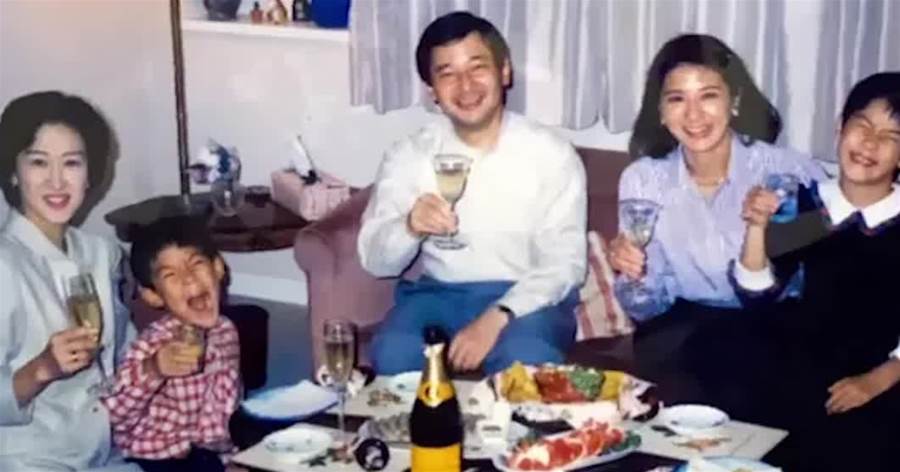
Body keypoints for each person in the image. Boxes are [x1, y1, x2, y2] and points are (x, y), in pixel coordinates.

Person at [359, 11, 586, 375]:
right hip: (439, 293)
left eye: (477, 67)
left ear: (504, 72)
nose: (466, 86)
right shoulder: (410, 155)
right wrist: (409, 227)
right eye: (447, 73)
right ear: (432, 91)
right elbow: (375, 261)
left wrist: (497, 316)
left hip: (526, 297)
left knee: (525, 361)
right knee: (394, 353)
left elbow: (565, 263)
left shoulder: (551, 154)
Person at [606, 34, 826, 408]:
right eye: (677, 99)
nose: (693, 115)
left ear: (734, 100)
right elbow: (647, 309)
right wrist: (632, 272)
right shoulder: (644, 179)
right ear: (661, 111)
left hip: (771, 325)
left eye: (708, 95)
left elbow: (825, 273)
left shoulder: (787, 171)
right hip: (681, 330)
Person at [732, 72, 900, 472]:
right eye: (862, 125)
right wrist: (757, 227)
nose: (870, 143)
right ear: (840, 127)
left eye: (891, 137)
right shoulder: (808, 206)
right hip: (804, 368)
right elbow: (758, 293)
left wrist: (877, 380)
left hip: (884, 377)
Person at [0, 91, 138, 471]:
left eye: (72, 163)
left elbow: (125, 354)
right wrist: (41, 369)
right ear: (13, 172)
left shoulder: (100, 253)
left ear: (89, 173)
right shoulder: (4, 265)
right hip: (28, 460)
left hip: (105, 454)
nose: (57, 181)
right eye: (39, 162)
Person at [102, 216, 243, 472]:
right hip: (154, 460)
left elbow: (220, 414)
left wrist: (230, 459)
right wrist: (154, 369)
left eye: (196, 263)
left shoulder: (226, 332)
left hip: (205, 457)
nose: (188, 278)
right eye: (170, 275)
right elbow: (114, 417)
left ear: (218, 268)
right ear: (153, 296)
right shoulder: (151, 345)